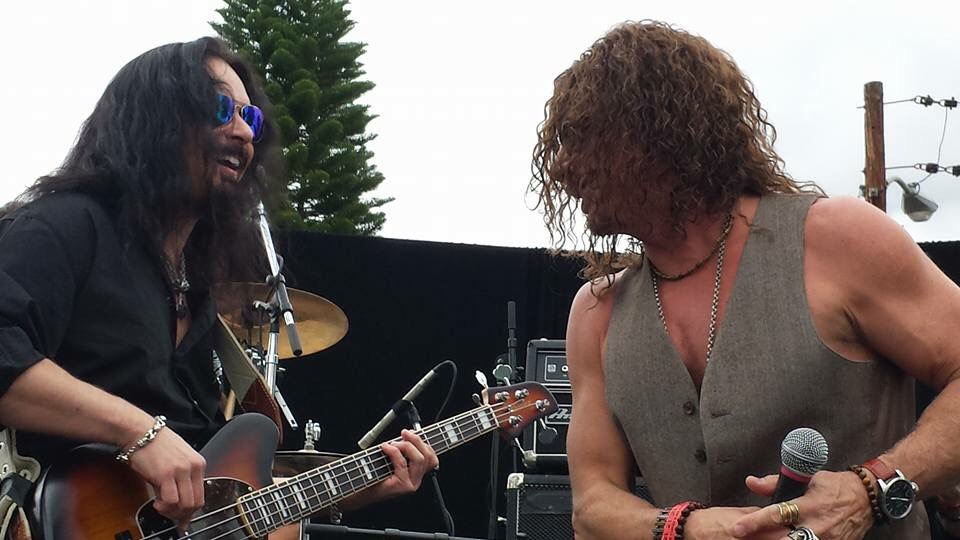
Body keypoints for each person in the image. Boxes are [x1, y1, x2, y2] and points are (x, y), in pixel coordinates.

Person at [529, 20, 960, 540]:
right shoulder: (596, 312)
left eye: (581, 140)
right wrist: (686, 528)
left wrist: (872, 487)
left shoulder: (836, 239)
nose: (562, 168)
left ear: (654, 135)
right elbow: (592, 507)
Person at [0, 37, 438, 530]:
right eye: (220, 109)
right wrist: (139, 432)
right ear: (153, 118)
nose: (244, 133)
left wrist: (350, 491)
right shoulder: (64, 226)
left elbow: (216, 487)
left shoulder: (195, 286)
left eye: (251, 119)